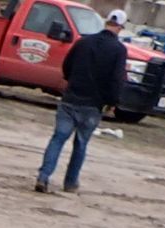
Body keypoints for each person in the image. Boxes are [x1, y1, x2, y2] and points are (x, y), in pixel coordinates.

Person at [37, 8, 131, 194]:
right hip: (93, 105)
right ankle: (70, 183)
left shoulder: (83, 42)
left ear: (106, 22)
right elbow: (117, 79)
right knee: (80, 144)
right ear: (120, 27)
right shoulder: (119, 50)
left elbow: (67, 66)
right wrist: (112, 102)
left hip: (71, 98)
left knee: (58, 139)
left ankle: (43, 176)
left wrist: (71, 82)